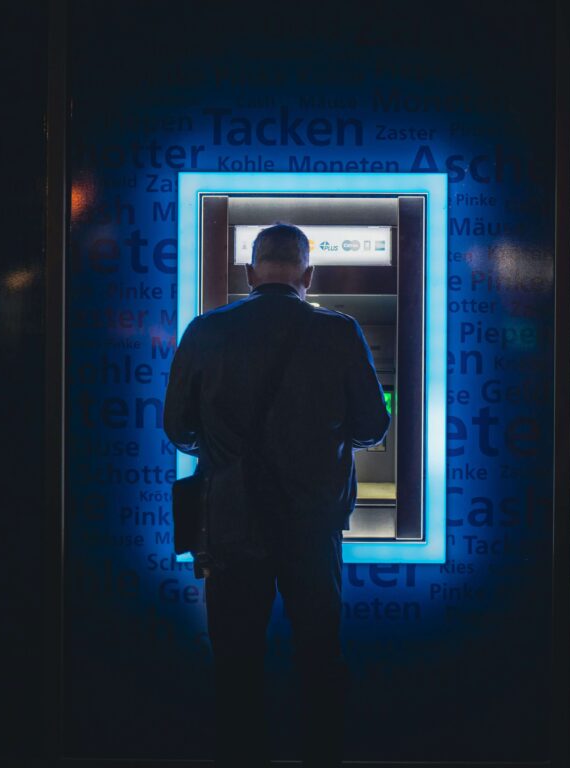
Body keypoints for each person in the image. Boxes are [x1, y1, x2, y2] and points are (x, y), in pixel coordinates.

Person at [163, 223, 390, 768]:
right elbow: (373, 425)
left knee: (237, 664)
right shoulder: (340, 331)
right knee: (319, 658)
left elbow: (177, 428)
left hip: (232, 525)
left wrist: (225, 454)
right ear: (309, 276)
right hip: (312, 527)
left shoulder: (205, 331)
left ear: (249, 273)